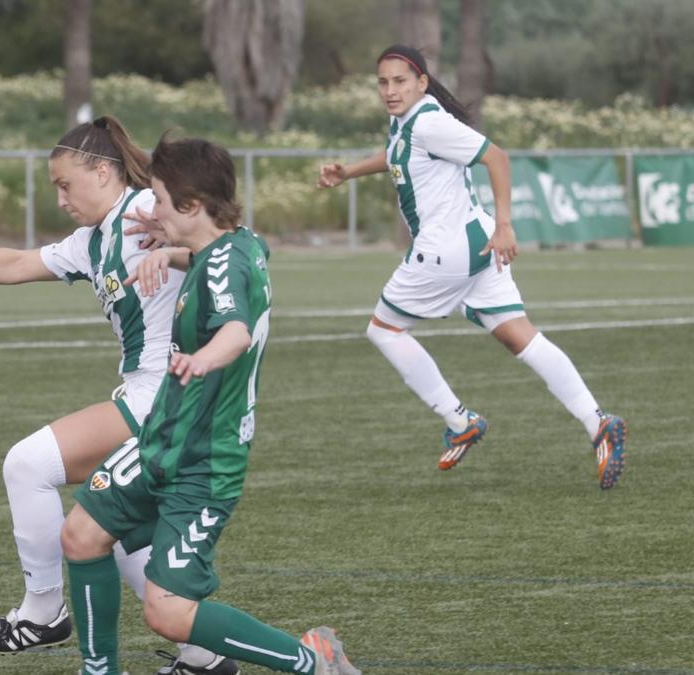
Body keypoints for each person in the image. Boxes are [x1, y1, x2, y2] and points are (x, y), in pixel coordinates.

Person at [0, 116, 237, 675]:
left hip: (165, 399)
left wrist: (174, 239)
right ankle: (204, 657)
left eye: (64, 184)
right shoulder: (92, 241)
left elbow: (222, 250)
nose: (59, 198)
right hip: (153, 395)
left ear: (102, 172)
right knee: (119, 531)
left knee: (27, 465)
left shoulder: (143, 213)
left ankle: (45, 610)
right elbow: (20, 262)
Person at [61, 135, 361, 675]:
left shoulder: (224, 269)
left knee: (170, 615)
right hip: (163, 439)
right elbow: (226, 253)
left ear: (193, 205)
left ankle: (311, 660)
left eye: (158, 199)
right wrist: (172, 250)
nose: (150, 210)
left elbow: (236, 330)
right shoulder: (239, 242)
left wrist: (204, 360)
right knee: (81, 534)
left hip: (204, 461)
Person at [317, 45, 626, 488]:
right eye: (383, 82)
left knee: (383, 330)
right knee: (521, 336)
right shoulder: (408, 120)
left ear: (422, 82)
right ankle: (597, 421)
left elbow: (496, 157)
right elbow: (397, 155)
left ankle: (460, 419)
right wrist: (348, 172)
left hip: (446, 250)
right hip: (473, 244)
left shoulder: (430, 122)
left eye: (400, 81)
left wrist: (506, 225)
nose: (390, 90)